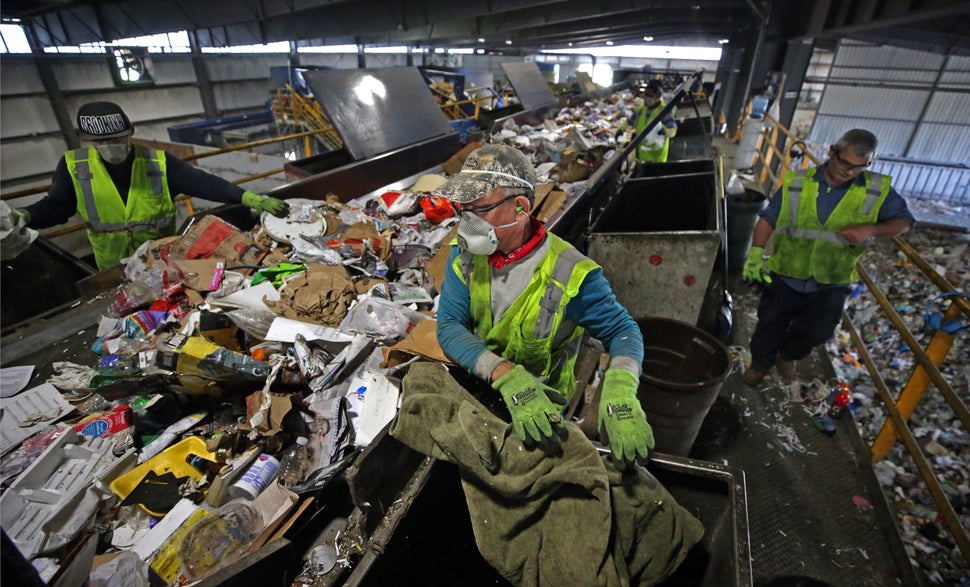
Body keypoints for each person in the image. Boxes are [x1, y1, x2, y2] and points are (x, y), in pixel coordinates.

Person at [433, 143, 654, 469]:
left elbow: (623, 330)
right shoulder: (465, 253)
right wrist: (505, 375)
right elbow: (450, 325)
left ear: (520, 208)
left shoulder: (571, 273)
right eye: (460, 208)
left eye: (476, 209)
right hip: (488, 383)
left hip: (545, 406)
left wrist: (621, 387)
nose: (464, 222)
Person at [13, 101, 289, 270]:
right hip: (112, 267)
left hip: (161, 262)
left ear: (131, 130)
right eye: (100, 142)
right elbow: (57, 206)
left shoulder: (157, 162)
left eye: (117, 138)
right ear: (86, 140)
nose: (110, 147)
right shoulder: (74, 165)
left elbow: (204, 183)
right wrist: (26, 215)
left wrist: (249, 197)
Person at [741, 129, 914, 385]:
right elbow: (768, 218)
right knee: (769, 324)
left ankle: (788, 355)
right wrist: (755, 253)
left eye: (860, 167)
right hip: (787, 272)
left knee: (817, 332)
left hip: (831, 279)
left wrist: (871, 229)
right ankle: (759, 365)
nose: (850, 172)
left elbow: (905, 222)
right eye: (845, 163)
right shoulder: (798, 182)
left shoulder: (875, 189)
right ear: (832, 151)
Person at [633, 80, 677, 163]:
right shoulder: (641, 109)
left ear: (658, 95)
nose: (646, 98)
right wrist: (622, 128)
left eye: (650, 95)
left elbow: (673, 131)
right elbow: (630, 121)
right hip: (642, 156)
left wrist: (665, 131)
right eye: (645, 95)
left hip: (657, 158)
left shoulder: (665, 111)